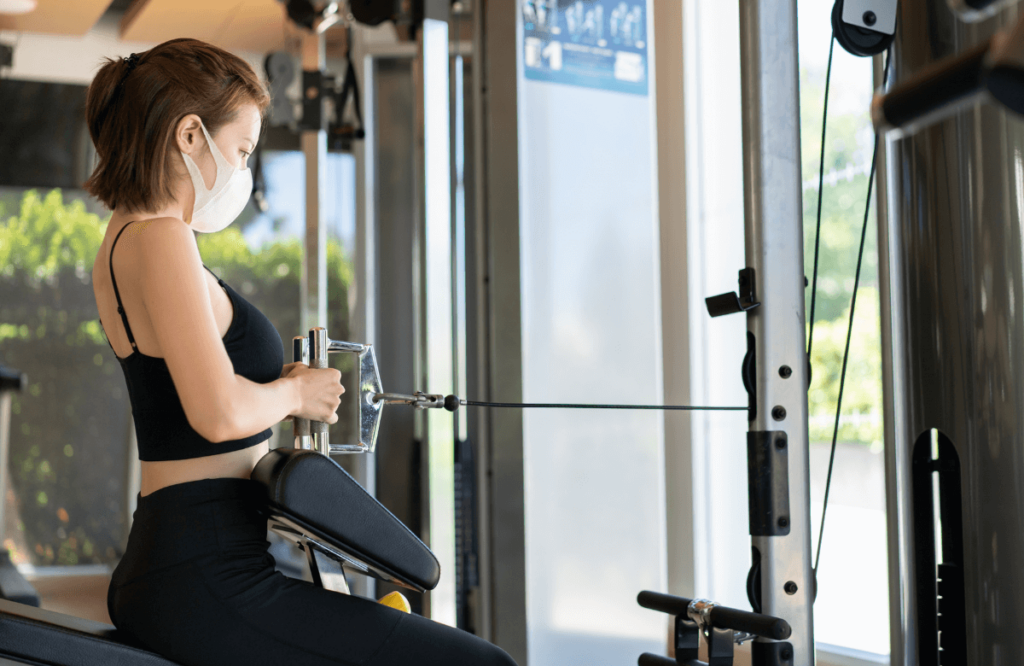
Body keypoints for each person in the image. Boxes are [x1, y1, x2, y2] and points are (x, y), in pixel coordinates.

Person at [86, 38, 515, 666]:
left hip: (186, 555)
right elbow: (218, 414)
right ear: (188, 135)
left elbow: (196, 398)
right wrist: (297, 393)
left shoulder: (126, 237)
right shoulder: (162, 237)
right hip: (205, 571)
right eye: (241, 150)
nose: (243, 169)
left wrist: (271, 390)